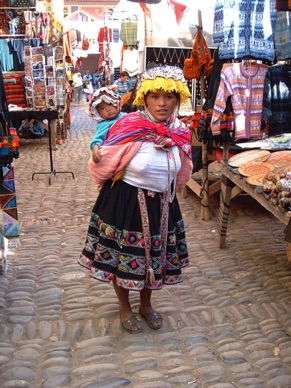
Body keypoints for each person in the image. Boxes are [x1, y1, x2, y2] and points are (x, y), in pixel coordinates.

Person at [79, 65, 193, 334]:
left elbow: (184, 167)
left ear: (178, 99)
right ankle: (124, 308)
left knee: (154, 257)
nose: (162, 103)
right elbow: (101, 163)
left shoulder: (179, 131)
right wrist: (97, 154)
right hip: (127, 203)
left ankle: (146, 305)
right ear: (144, 98)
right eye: (155, 96)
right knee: (123, 258)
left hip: (162, 205)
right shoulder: (129, 125)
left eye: (168, 97)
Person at [89, 87, 127, 163]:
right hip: (116, 152)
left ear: (116, 103)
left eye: (110, 104)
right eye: (102, 108)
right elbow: (98, 138)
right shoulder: (104, 124)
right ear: (98, 114)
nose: (108, 109)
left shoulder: (125, 116)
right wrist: (95, 148)